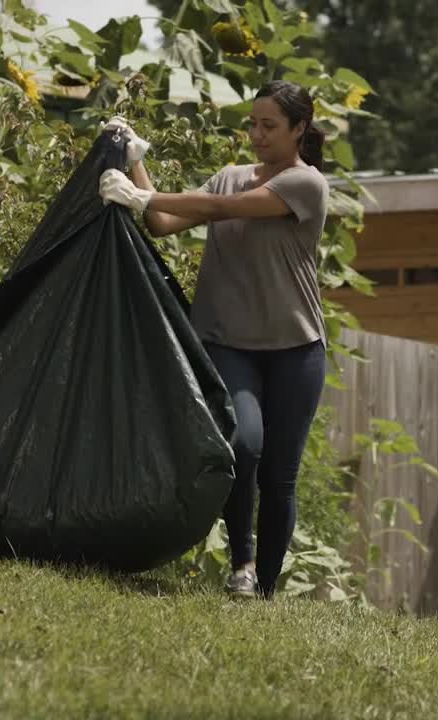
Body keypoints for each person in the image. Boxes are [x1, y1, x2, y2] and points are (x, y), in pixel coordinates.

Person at [97, 80, 330, 600]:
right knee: (243, 446)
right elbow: (160, 222)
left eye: (269, 126)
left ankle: (265, 590)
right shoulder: (229, 178)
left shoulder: (305, 184)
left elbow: (225, 210)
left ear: (298, 129)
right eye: (252, 123)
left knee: (280, 477)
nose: (256, 135)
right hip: (229, 342)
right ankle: (242, 565)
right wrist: (136, 160)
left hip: (296, 349)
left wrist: (145, 194)